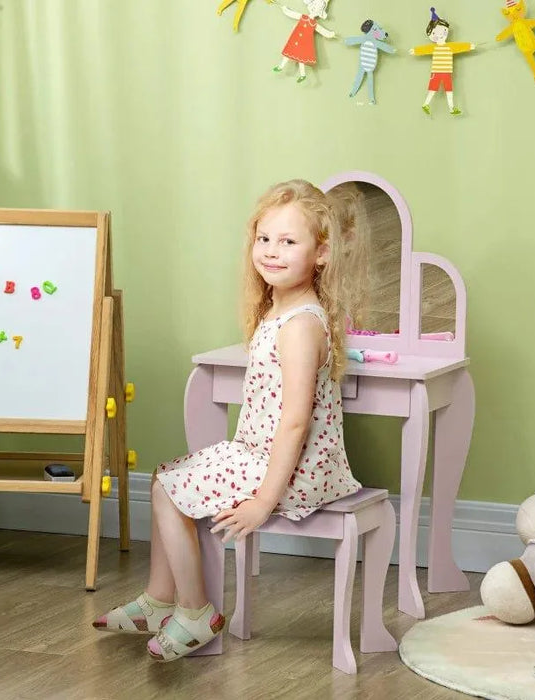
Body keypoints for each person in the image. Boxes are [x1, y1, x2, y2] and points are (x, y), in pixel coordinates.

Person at [93, 179, 361, 661]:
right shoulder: (280, 310)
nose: (272, 251)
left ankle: (195, 612)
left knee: (169, 488)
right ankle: (159, 601)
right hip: (265, 455)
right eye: (265, 238)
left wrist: (263, 501)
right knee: (164, 477)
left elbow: (296, 423)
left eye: (288, 241)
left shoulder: (300, 325)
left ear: (320, 254)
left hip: (292, 472)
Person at [409, 7, 476, 116]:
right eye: (437, 32)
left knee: (449, 91)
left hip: (447, 73)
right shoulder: (434, 47)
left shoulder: (450, 46)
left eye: (443, 30)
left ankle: (451, 108)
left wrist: (470, 46)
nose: (441, 34)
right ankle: (425, 104)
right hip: (436, 72)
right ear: (431, 34)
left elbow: (460, 46)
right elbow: (424, 49)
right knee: (433, 90)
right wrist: (415, 51)